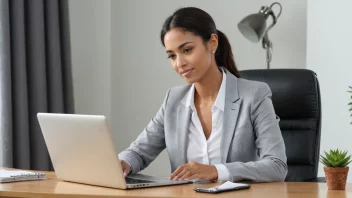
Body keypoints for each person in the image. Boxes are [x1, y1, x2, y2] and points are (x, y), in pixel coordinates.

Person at [118, 7, 287, 182]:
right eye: (172, 56)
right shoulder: (173, 101)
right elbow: (138, 151)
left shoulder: (254, 96)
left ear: (212, 43)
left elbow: (276, 166)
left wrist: (216, 171)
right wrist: (122, 163)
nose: (180, 63)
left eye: (187, 50)